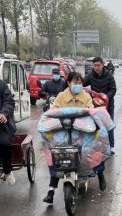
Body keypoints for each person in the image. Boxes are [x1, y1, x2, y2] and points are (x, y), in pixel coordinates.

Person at [43, 72, 106, 204]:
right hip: (64, 132)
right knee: (58, 156)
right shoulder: (61, 96)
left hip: (82, 132)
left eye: (79, 83)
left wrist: (87, 111)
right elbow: (53, 112)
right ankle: (51, 191)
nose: (78, 85)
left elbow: (92, 110)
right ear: (69, 83)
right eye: (75, 83)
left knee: (96, 148)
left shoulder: (86, 96)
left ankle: (100, 174)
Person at [83, 57, 117, 154]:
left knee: (109, 126)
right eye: (95, 66)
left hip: (108, 106)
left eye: (98, 65)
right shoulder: (90, 75)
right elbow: (82, 83)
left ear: (102, 65)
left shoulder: (109, 75)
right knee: (96, 126)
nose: (96, 67)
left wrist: (105, 98)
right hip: (96, 107)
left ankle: (110, 147)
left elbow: (113, 89)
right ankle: (97, 146)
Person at [0, 79, 17, 186]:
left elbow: (9, 102)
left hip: (2, 124)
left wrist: (3, 113)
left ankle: (7, 171)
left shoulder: (2, 85)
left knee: (3, 143)